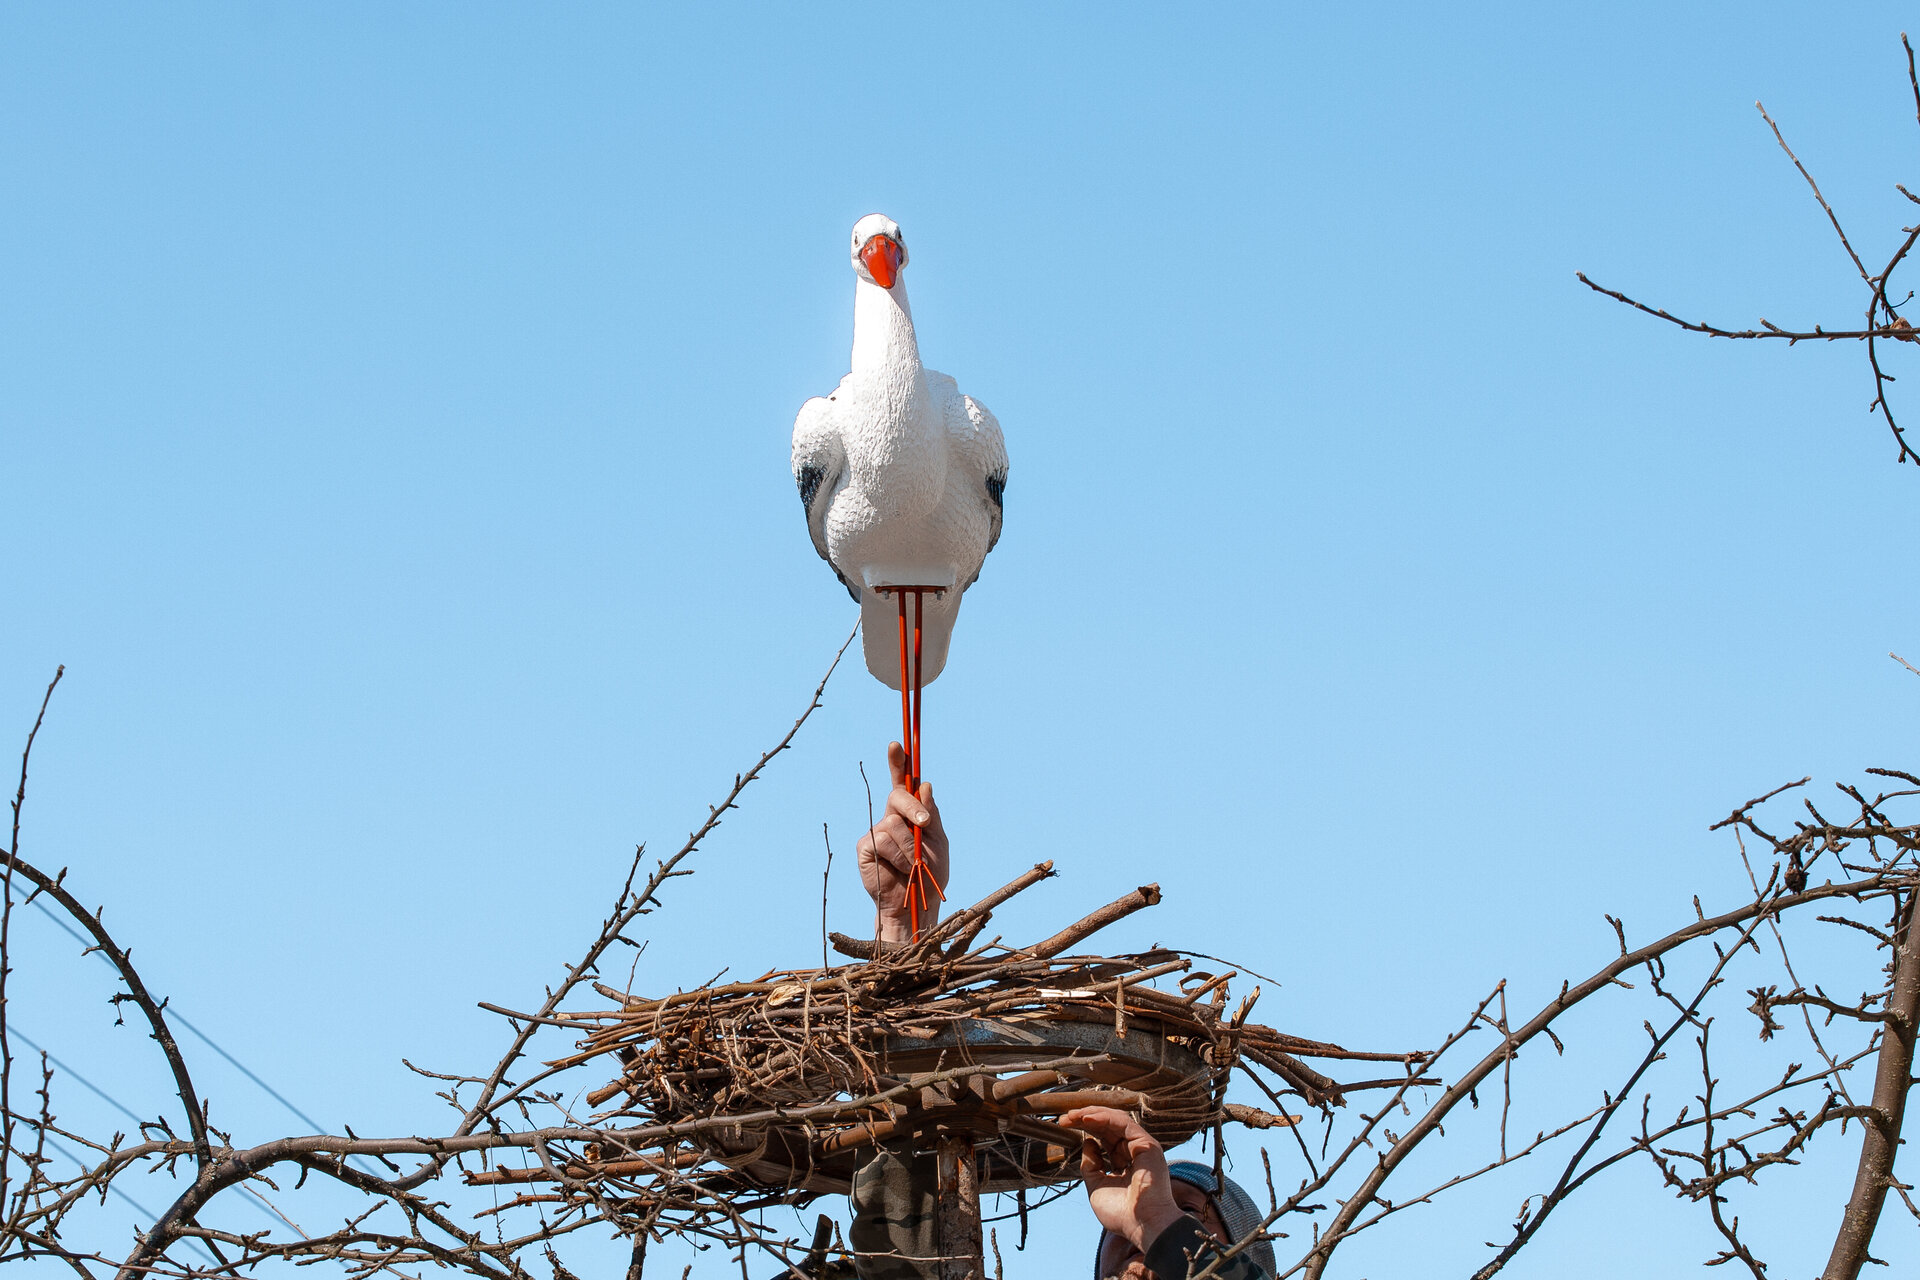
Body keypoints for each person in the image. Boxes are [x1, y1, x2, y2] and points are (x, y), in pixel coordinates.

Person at [848, 745, 1275, 1280]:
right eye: (1119, 1232)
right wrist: (904, 937)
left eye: (1191, 1214)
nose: (1132, 1235)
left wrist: (1156, 1220)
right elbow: (903, 1260)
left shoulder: (1160, 1228)